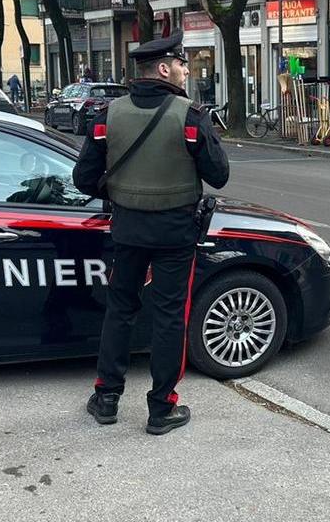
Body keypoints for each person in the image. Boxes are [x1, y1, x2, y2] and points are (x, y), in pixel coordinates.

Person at [72, 31, 230, 435]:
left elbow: (84, 178)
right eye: (181, 64)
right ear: (163, 69)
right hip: (175, 234)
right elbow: (219, 175)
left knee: (119, 310)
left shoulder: (108, 115)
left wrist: (123, 195)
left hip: (127, 231)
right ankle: (161, 408)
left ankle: (107, 397)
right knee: (170, 317)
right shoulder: (190, 115)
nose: (185, 71)